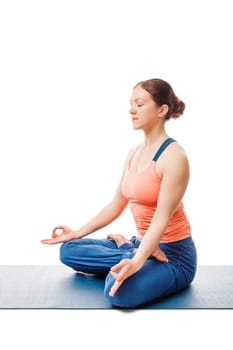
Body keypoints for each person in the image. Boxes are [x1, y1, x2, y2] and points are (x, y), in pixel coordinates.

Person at [41, 78, 197, 308]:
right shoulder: (134, 153)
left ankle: (133, 253)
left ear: (162, 110)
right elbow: (116, 204)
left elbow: (161, 219)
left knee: (118, 294)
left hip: (174, 256)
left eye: (140, 104)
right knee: (68, 250)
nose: (131, 109)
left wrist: (136, 261)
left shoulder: (174, 157)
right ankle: (132, 251)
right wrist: (76, 233)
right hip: (143, 243)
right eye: (131, 103)